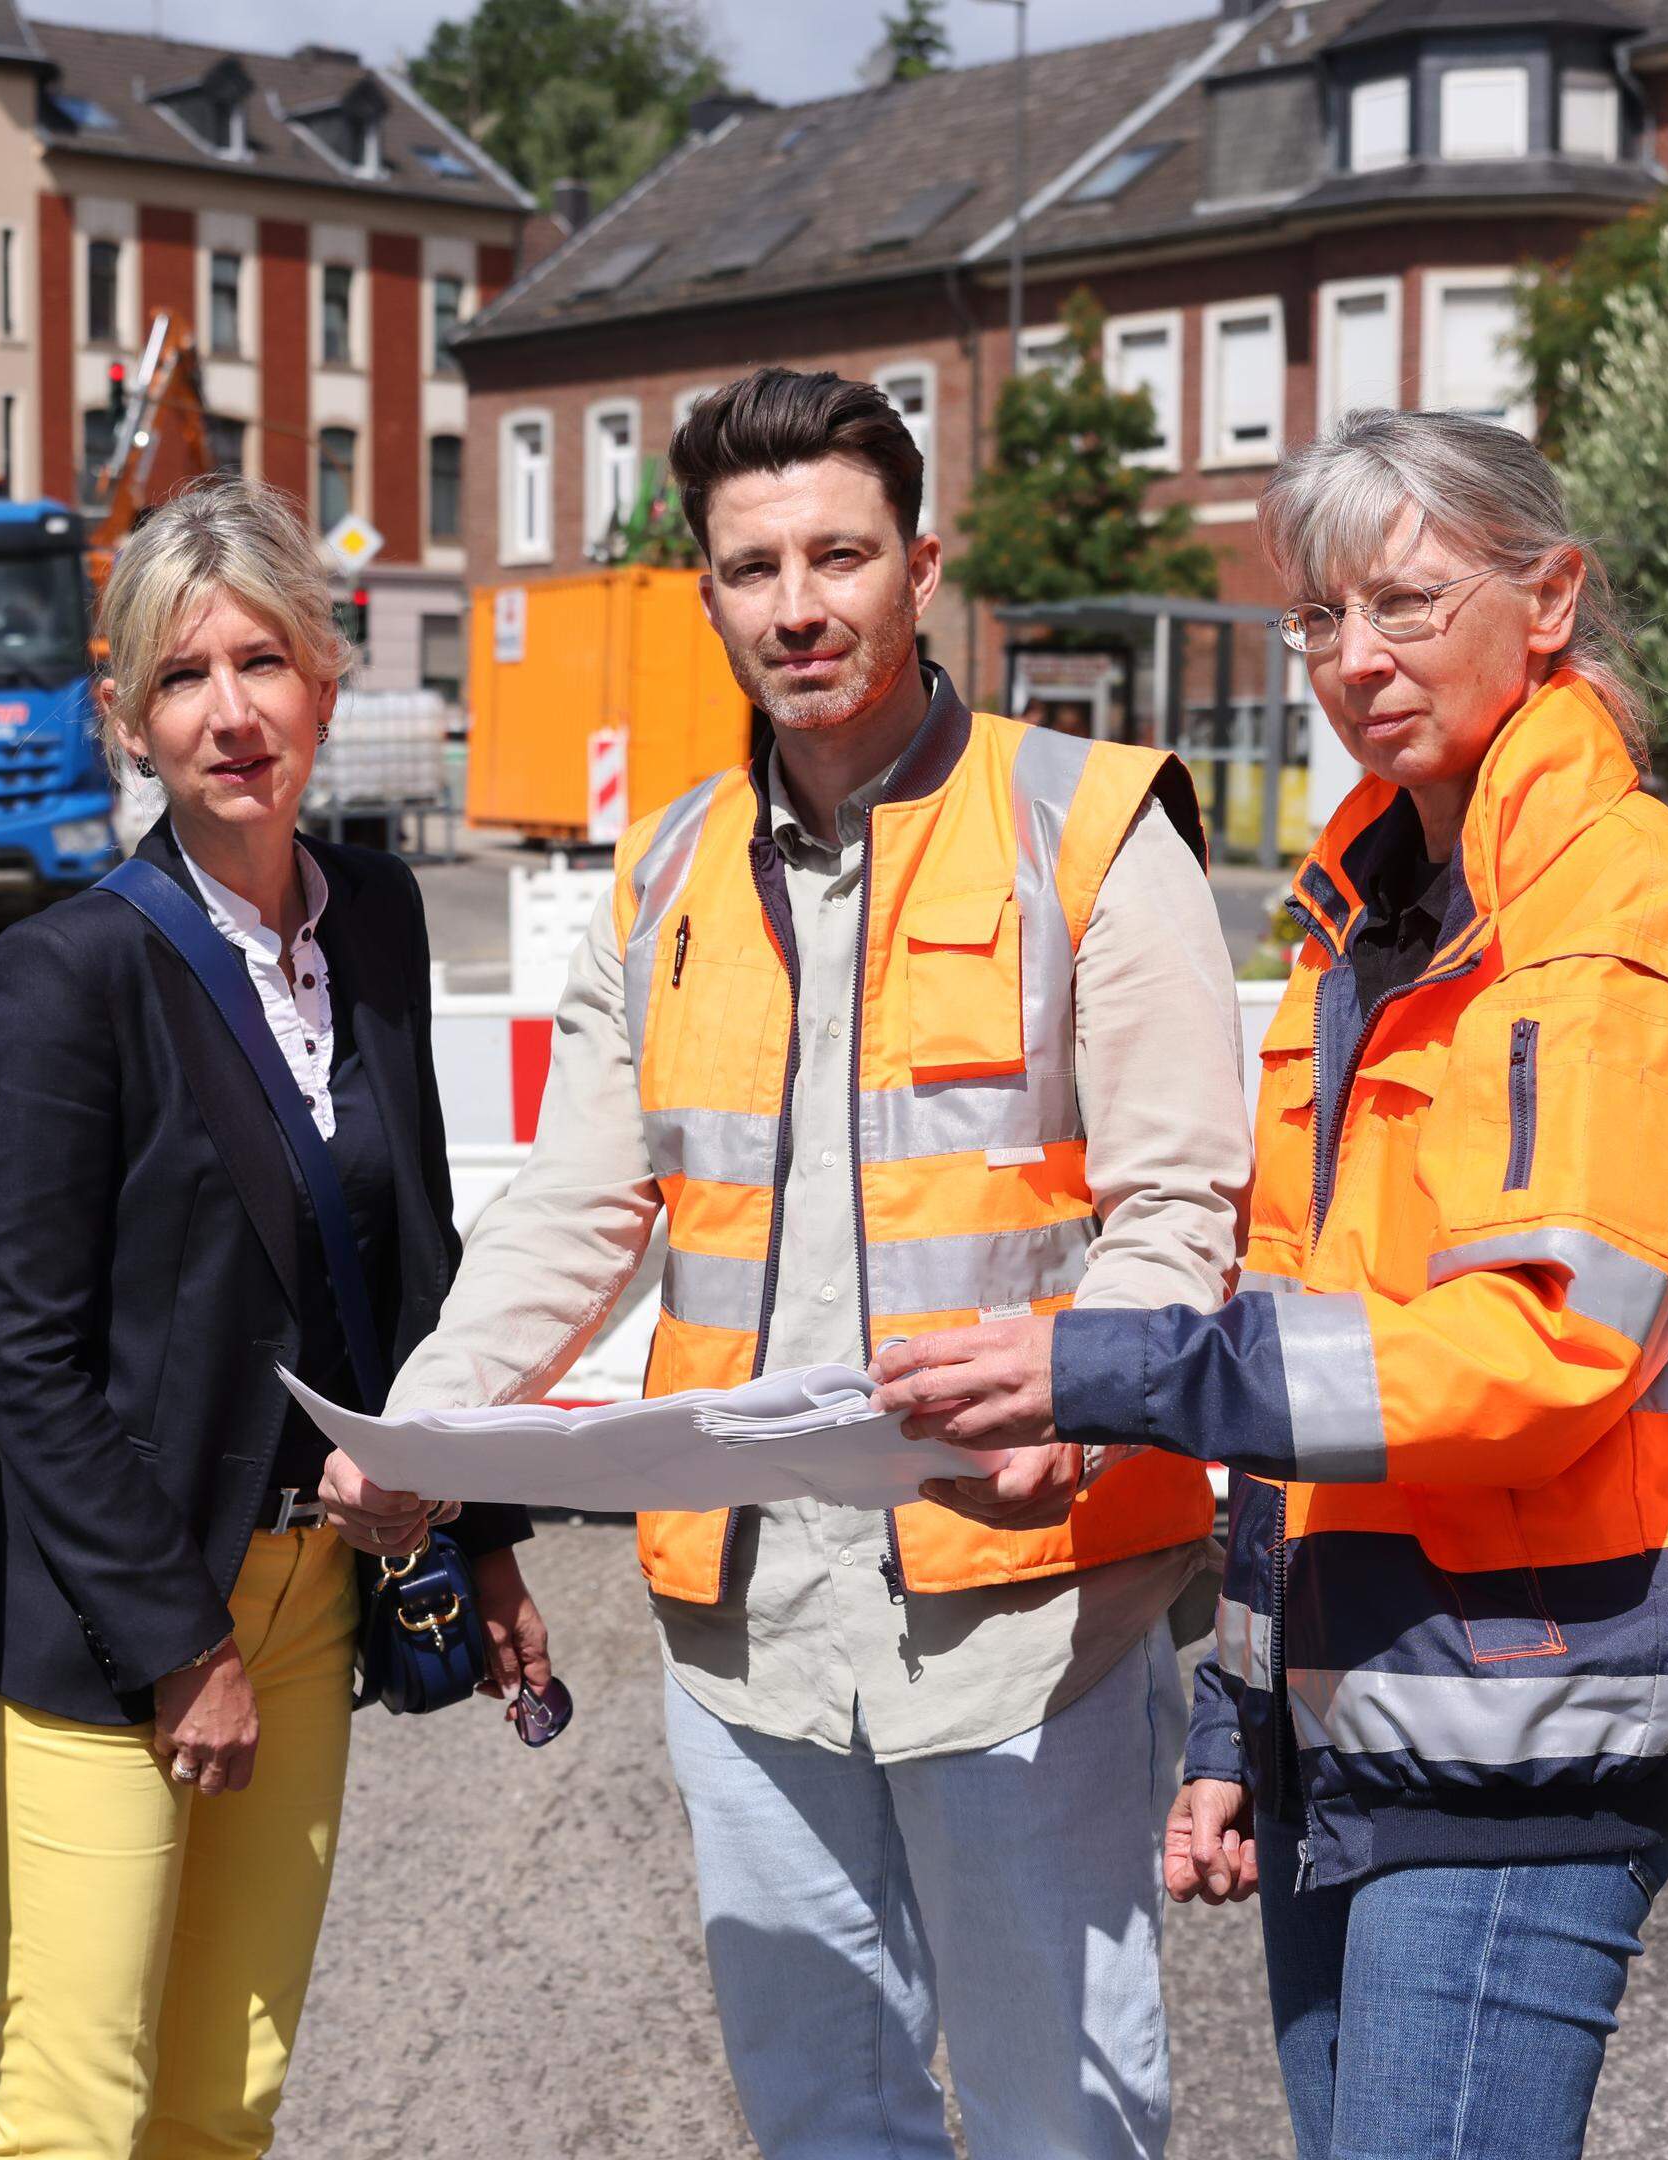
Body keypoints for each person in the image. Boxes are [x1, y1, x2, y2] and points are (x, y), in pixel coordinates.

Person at [390, 369, 1248, 2159]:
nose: (797, 604)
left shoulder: (1089, 829)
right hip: (752, 1630)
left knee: (1055, 2125)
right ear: (704, 595)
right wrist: (427, 1427)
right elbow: (580, 1207)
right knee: (822, 2119)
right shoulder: (671, 874)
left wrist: (1091, 1392)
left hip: (1027, 1619)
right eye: (752, 565)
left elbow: (1183, 1213)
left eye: (838, 554)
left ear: (920, 565)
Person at [949, 408, 1668, 2158]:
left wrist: (1106, 1368)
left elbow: (1536, 1356)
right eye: (1317, 622)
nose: (1355, 662)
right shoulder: (1388, 919)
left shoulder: (1615, 918)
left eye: (1407, 605)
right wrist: (1237, 1711)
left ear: (1550, 595)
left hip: (1525, 1715)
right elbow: (1316, 1346)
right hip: (1376, 1713)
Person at [0, 476, 558, 2159]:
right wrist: (180, 1644)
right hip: (106, 1621)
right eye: (184, 676)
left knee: (227, 2107)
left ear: (328, 681)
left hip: (309, 1602)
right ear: (127, 719)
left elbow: (416, 1257)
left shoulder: (378, 913)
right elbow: (25, 1353)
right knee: (78, 2112)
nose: (231, 712)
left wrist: (482, 1532)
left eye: (265, 662)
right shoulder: (68, 971)